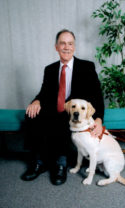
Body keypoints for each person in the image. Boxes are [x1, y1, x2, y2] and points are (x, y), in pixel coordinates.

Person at [21, 29, 105, 185]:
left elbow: (97, 97)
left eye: (70, 44)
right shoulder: (50, 69)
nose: (67, 47)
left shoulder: (87, 67)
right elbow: (43, 93)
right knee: (31, 114)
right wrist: (36, 101)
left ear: (74, 47)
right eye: (63, 43)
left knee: (62, 119)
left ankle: (61, 163)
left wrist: (99, 119)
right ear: (56, 47)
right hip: (55, 108)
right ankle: (39, 162)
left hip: (76, 112)